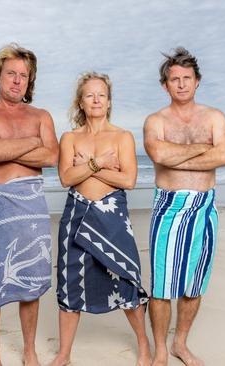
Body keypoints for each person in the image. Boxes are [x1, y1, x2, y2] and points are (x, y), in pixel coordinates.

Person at [0, 43, 59, 366]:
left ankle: (29, 350)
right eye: (11, 74)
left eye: (24, 76)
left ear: (29, 82)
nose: (17, 81)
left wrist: (6, 146)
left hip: (31, 202)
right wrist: (32, 142)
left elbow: (51, 157)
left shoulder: (41, 115)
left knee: (31, 278)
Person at [49, 72, 152, 366]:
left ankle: (143, 346)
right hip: (77, 213)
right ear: (80, 102)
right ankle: (64, 354)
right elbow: (67, 178)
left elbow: (129, 180)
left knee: (126, 277)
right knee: (69, 282)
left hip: (112, 215)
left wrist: (89, 166)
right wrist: (102, 163)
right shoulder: (69, 137)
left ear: (108, 101)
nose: (96, 100)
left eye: (101, 95)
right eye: (90, 95)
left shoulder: (122, 136)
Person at [143, 47, 225, 366]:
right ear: (165, 85)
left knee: (194, 283)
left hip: (204, 207)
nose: (181, 84)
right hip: (169, 206)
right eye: (174, 79)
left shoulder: (214, 117)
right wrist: (202, 149)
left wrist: (178, 154)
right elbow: (160, 157)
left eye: (187, 78)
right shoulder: (156, 121)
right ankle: (159, 350)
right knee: (161, 285)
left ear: (197, 82)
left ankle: (180, 343)